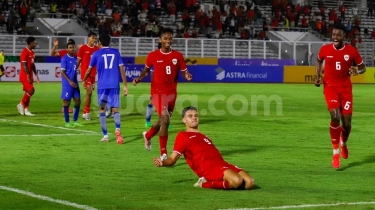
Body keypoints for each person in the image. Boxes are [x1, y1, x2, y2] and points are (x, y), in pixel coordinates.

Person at [153, 106, 255, 190]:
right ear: (184, 120)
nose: (194, 118)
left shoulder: (204, 136)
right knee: (237, 181)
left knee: (250, 182)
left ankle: (220, 181)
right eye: (190, 116)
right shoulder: (182, 136)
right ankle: (205, 183)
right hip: (208, 168)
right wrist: (163, 162)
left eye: (196, 115)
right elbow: (173, 159)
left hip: (221, 164)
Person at [133, 28, 192, 159]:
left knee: (162, 121)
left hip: (171, 93)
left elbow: (183, 70)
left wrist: (186, 75)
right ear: (160, 40)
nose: (168, 41)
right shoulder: (153, 55)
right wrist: (139, 78)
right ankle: (163, 153)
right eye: (165, 38)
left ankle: (147, 135)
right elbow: (146, 70)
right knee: (165, 119)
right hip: (157, 92)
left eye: (170, 38)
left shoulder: (178, 56)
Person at [315, 24, 366, 169]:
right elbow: (319, 60)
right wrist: (318, 76)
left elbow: (363, 67)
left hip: (345, 89)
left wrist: (357, 70)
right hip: (330, 87)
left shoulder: (351, 51)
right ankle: (335, 152)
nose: (335, 37)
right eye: (333, 35)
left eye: (338, 35)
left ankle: (343, 143)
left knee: (347, 123)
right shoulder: (325, 49)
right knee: (335, 115)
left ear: (344, 36)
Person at [83, 34, 128, 144]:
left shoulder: (96, 53)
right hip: (114, 85)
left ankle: (106, 136)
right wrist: (125, 85)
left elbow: (89, 70)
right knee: (115, 109)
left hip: (103, 86)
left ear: (100, 43)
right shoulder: (116, 52)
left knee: (102, 109)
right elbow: (122, 69)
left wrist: (84, 79)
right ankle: (117, 129)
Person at [51, 38, 77, 114]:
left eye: (72, 46)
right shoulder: (63, 52)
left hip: (73, 76)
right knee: (66, 91)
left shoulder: (75, 55)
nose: (70, 48)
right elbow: (52, 54)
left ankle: (66, 107)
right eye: (69, 45)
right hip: (65, 75)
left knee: (73, 93)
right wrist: (55, 46)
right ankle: (64, 107)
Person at [77, 32, 100, 121]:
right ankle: (86, 113)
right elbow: (78, 61)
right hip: (86, 74)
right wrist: (77, 70)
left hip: (93, 74)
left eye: (95, 38)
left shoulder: (97, 49)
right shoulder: (83, 48)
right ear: (88, 38)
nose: (94, 40)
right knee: (89, 92)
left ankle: (85, 113)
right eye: (93, 38)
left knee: (89, 94)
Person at [60, 42, 83, 127]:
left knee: (78, 101)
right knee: (67, 102)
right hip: (67, 83)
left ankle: (75, 120)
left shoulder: (75, 58)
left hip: (75, 82)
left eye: (73, 47)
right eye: (70, 48)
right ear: (67, 49)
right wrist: (70, 82)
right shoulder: (64, 59)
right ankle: (67, 122)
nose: (72, 49)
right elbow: (62, 71)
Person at [17, 36, 39, 116]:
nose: (36, 44)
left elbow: (33, 65)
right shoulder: (25, 51)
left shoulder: (32, 52)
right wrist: (27, 75)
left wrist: (36, 74)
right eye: (34, 42)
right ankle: (21, 104)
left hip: (30, 75)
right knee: (31, 91)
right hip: (25, 76)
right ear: (31, 43)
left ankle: (26, 110)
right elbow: (24, 64)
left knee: (28, 92)